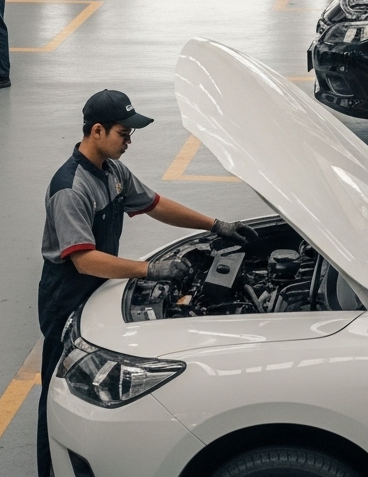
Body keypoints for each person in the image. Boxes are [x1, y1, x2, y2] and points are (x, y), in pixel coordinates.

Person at [36, 89, 257, 477]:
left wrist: (215, 225)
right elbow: (84, 260)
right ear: (97, 131)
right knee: (57, 387)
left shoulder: (113, 171)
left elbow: (154, 203)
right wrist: (150, 270)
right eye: (124, 133)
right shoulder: (71, 188)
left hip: (98, 285)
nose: (129, 141)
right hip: (67, 294)